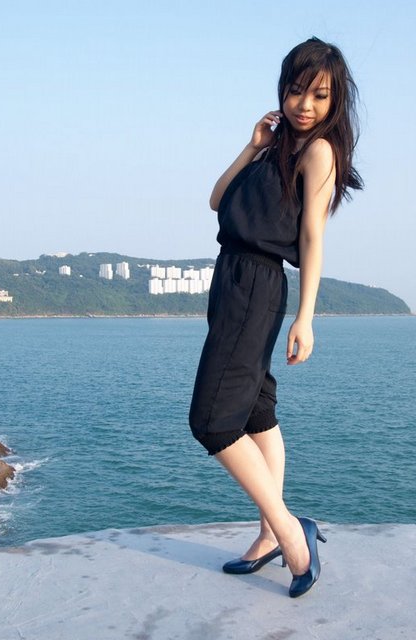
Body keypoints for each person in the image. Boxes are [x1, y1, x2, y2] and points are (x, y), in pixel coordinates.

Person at [189, 37, 363, 598]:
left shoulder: (319, 152)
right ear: (281, 91)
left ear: (335, 101)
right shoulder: (274, 147)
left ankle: (291, 533)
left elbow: (312, 237)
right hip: (231, 278)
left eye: (319, 95)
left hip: (259, 284)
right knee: (257, 411)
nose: (304, 105)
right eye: (295, 91)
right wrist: (251, 146)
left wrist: (307, 317)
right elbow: (217, 200)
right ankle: (268, 534)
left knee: (212, 422)